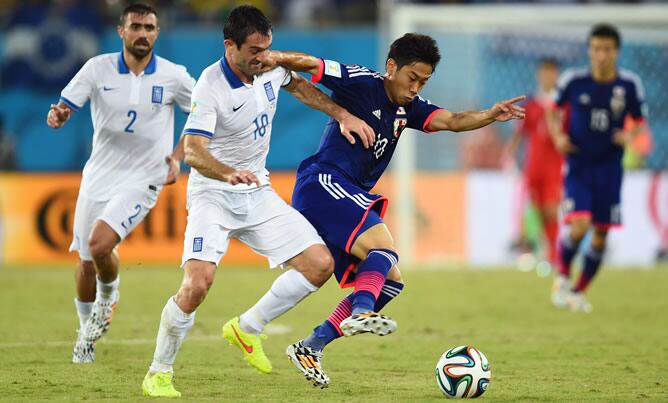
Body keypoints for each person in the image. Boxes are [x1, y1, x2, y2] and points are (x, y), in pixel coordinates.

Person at [254, 33, 525, 387]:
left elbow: (453, 120)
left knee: (391, 282)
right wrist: (274, 56)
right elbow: (311, 64)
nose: (416, 88)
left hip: (345, 193)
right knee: (383, 247)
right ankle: (362, 311)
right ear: (391, 67)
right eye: (412, 78)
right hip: (323, 182)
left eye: (424, 82)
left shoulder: (409, 107)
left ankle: (312, 345)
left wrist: (489, 115)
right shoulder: (362, 82)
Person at [141, 5, 374, 398]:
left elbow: (300, 86)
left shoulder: (269, 67)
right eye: (253, 50)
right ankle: (158, 372)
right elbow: (194, 151)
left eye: (267, 48)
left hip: (257, 191)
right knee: (198, 284)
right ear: (229, 45)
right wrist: (226, 172)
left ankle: (247, 328)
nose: (262, 57)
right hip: (213, 194)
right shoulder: (209, 87)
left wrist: (341, 114)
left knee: (319, 265)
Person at [46, 3, 195, 364]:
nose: (143, 33)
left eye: (150, 27)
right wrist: (59, 114)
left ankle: (109, 296)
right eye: (136, 26)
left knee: (99, 244)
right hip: (99, 174)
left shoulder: (174, 76)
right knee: (84, 261)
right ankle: (86, 335)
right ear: (121, 31)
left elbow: (204, 115)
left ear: (157, 33)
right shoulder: (97, 68)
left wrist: (177, 157)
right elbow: (65, 106)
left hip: (145, 176)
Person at [548, 23, 647, 313]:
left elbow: (639, 121)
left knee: (602, 233)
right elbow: (554, 110)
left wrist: (628, 135)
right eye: (596, 49)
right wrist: (558, 136)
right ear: (589, 51)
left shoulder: (629, 84)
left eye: (607, 49)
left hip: (610, 168)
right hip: (579, 164)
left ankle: (579, 291)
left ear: (616, 52)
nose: (601, 55)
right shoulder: (574, 81)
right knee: (579, 225)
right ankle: (562, 277)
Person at [503, 58, 562, 267]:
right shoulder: (532, 104)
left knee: (551, 210)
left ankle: (554, 256)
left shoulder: (563, 104)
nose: (548, 76)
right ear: (539, 75)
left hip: (555, 167)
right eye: (544, 72)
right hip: (533, 167)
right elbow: (520, 133)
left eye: (551, 72)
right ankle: (533, 252)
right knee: (533, 210)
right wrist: (508, 156)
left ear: (556, 75)